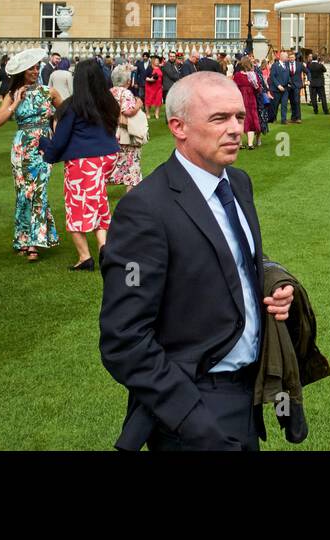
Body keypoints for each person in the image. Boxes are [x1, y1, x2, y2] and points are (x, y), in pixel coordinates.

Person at [98, 72, 294, 451]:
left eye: (238, 116)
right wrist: (191, 418)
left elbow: (234, 255)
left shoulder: (237, 183)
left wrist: (272, 281)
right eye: (219, 119)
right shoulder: (145, 209)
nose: (236, 128)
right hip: (191, 406)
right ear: (179, 127)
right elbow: (123, 338)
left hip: (244, 398)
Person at [41, 59, 120, 272]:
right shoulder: (109, 101)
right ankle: (103, 246)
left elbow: (60, 140)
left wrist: (46, 148)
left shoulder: (74, 106)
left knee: (77, 207)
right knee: (98, 201)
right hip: (108, 157)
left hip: (85, 161)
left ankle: (85, 257)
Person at [0, 48, 60, 262]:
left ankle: (34, 243)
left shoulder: (49, 92)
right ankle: (23, 239)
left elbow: (68, 111)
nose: (35, 70)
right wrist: (15, 103)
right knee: (24, 194)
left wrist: (57, 130)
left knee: (38, 191)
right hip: (21, 148)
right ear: (22, 72)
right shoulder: (12, 94)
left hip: (42, 146)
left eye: (36, 66)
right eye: (30, 68)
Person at [109, 64, 145, 191]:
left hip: (110, 132)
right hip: (124, 133)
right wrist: (138, 105)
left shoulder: (108, 92)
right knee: (132, 166)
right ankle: (132, 197)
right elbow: (127, 111)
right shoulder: (126, 93)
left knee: (113, 164)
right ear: (128, 81)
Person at [233, 56, 263, 149]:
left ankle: (240, 144)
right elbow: (258, 89)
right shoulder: (253, 75)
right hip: (251, 100)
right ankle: (250, 144)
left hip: (240, 100)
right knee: (251, 121)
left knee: (240, 121)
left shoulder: (238, 75)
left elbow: (234, 88)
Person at [144, 54, 164, 119]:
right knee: (148, 100)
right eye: (156, 61)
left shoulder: (160, 68)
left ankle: (156, 114)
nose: (157, 62)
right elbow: (145, 77)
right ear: (153, 61)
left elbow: (162, 77)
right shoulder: (150, 68)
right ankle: (147, 114)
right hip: (150, 87)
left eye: (158, 61)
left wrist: (162, 85)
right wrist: (151, 79)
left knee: (158, 101)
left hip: (159, 87)